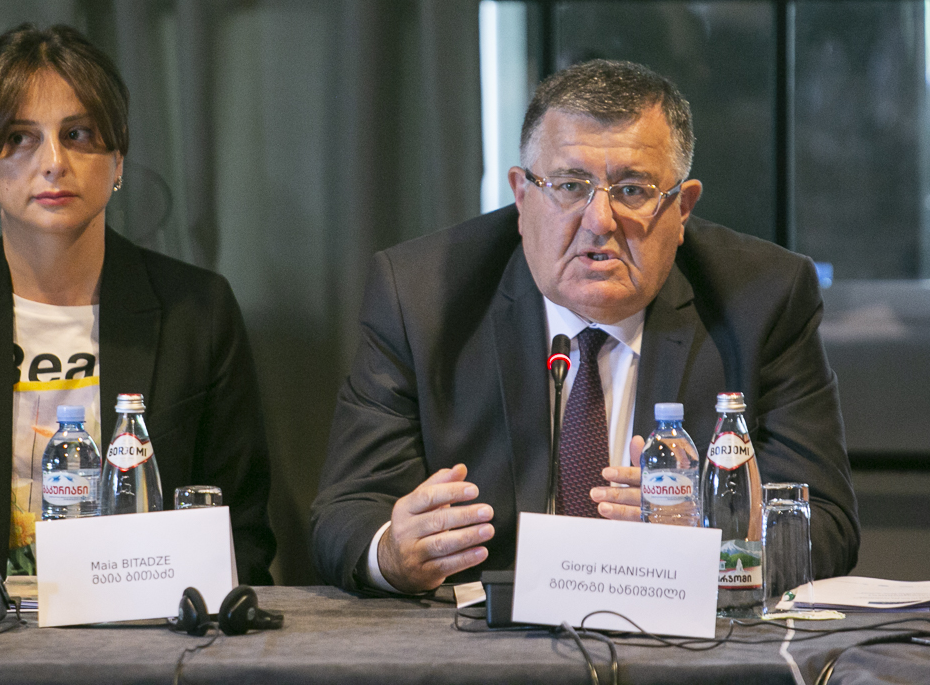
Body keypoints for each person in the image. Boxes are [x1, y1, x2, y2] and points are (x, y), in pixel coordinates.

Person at [311, 59, 858, 595]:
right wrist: (393, 553)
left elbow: (825, 524)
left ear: (682, 209)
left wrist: (705, 544)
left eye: (633, 190)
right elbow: (347, 511)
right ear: (522, 196)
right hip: (481, 640)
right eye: (570, 186)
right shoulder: (421, 297)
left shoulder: (764, 298)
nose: (599, 221)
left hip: (685, 641)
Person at [0, 23, 276, 586]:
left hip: (152, 629)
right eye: (19, 137)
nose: (52, 162)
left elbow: (240, 540)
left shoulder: (198, 311)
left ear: (118, 158)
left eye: (78, 134)